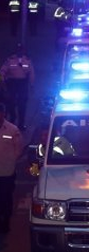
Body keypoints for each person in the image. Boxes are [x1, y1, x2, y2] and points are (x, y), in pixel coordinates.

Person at [1, 44, 34, 130]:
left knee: (22, 105)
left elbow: (31, 73)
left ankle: (21, 124)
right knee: (10, 104)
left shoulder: (27, 60)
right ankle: (12, 121)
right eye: (19, 50)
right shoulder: (10, 60)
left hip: (22, 84)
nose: (20, 51)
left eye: (22, 50)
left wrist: (31, 85)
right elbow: (2, 71)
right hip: (12, 83)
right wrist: (2, 81)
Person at [0, 103, 21, 233]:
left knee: (6, 198)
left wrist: (10, 161)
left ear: (4, 114)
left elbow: (18, 150)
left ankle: (5, 222)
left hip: (7, 172)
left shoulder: (12, 130)